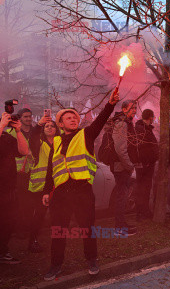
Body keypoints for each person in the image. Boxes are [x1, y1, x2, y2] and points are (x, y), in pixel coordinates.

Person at [41, 89, 119, 280]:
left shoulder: (86, 135)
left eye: (75, 117)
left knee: (87, 229)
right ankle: (55, 265)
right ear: (60, 124)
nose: (73, 119)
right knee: (58, 231)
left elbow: (100, 121)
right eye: (68, 118)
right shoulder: (56, 142)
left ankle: (91, 260)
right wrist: (46, 191)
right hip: (60, 194)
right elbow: (51, 169)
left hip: (82, 190)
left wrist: (110, 104)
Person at [24, 114, 60, 252]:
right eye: (47, 126)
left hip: (58, 185)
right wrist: (39, 124)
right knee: (39, 215)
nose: (50, 127)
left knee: (58, 214)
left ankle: (57, 238)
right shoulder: (38, 144)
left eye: (52, 125)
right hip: (40, 187)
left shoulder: (60, 143)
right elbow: (32, 136)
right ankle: (32, 241)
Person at [0, 112, 29, 264]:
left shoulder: (5, 137)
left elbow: (23, 152)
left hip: (9, 189)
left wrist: (18, 131)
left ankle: (2, 252)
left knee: (7, 222)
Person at [111, 100, 139, 235]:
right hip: (121, 167)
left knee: (123, 197)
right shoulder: (121, 123)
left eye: (135, 108)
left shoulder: (126, 122)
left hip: (123, 166)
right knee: (121, 197)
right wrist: (130, 167)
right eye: (132, 108)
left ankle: (122, 224)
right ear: (123, 109)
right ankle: (119, 228)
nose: (134, 110)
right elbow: (120, 149)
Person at [9, 108, 35, 235]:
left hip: (33, 172)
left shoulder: (36, 132)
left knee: (29, 203)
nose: (29, 119)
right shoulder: (11, 132)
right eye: (25, 117)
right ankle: (19, 230)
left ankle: (28, 229)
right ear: (19, 119)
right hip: (17, 173)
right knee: (18, 203)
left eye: (30, 116)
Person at [134, 109, 158, 221]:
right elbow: (142, 148)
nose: (153, 119)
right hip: (145, 164)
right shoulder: (141, 130)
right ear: (150, 117)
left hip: (147, 163)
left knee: (146, 188)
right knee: (142, 189)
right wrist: (147, 161)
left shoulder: (144, 128)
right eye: (153, 117)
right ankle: (141, 213)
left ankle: (144, 211)